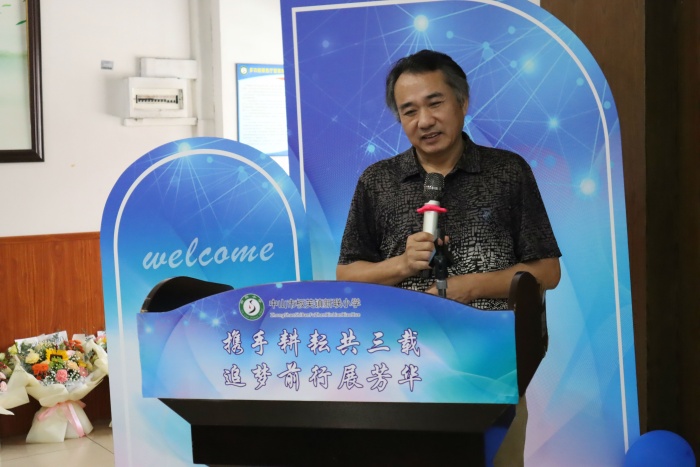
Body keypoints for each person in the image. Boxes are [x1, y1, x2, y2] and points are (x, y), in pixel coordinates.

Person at [336, 49, 562, 466]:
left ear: (462, 101)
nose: (424, 121)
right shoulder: (378, 182)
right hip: (403, 367)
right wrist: (402, 265)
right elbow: (347, 275)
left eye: (435, 103)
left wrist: (468, 288)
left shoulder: (508, 173)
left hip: (493, 366)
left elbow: (547, 270)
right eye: (409, 111)